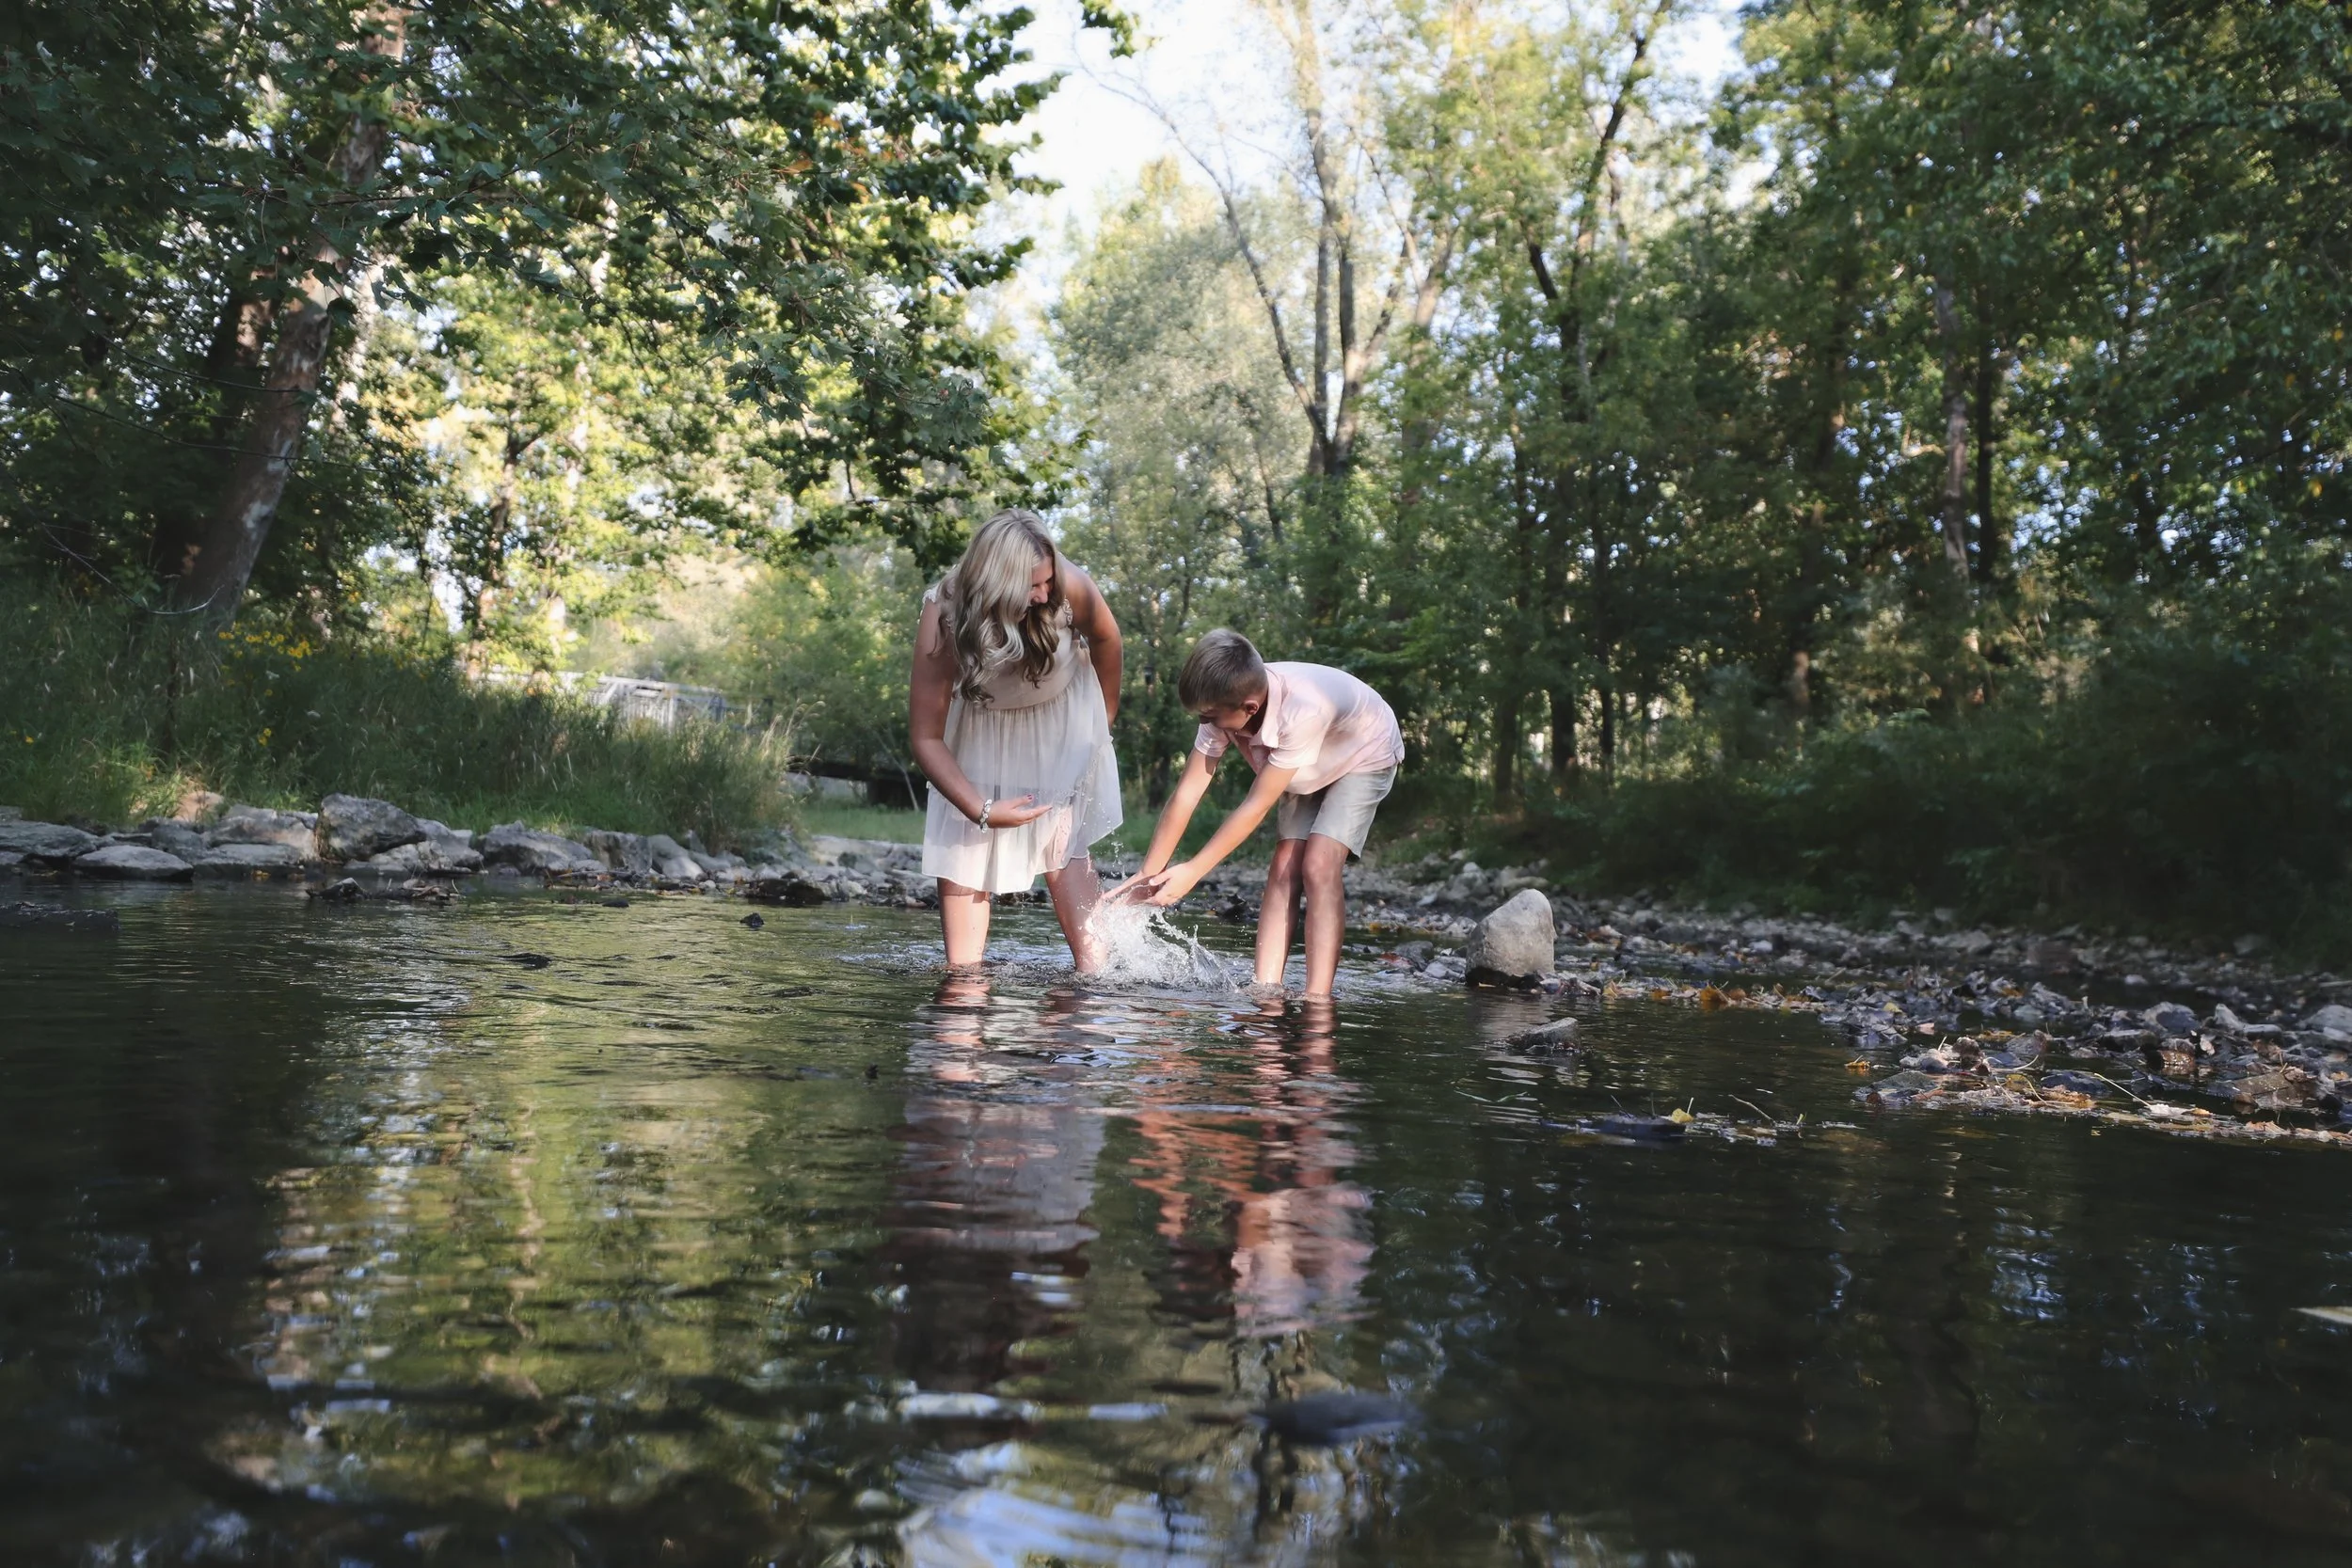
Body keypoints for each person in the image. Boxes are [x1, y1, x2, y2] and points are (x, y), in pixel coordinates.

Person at [1124, 629, 1401, 998]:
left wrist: (1193, 871)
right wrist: (1149, 871)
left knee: (1318, 863)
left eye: (1210, 717)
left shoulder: (1303, 708)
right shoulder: (1223, 707)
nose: (1205, 724)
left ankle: (1318, 999)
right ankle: (1266, 989)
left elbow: (1256, 805)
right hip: (1304, 766)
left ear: (1249, 708)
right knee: (1285, 864)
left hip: (1364, 751)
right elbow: (1187, 793)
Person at [908, 508, 1123, 970]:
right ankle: (963, 985)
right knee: (966, 834)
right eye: (1032, 585)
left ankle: (1098, 978)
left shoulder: (1070, 587)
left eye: (1049, 581)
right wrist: (981, 810)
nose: (1045, 593)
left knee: (1059, 839)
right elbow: (925, 736)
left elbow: (1108, 640)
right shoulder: (944, 610)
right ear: (994, 582)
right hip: (983, 718)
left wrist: (1104, 719)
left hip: (1060, 708)